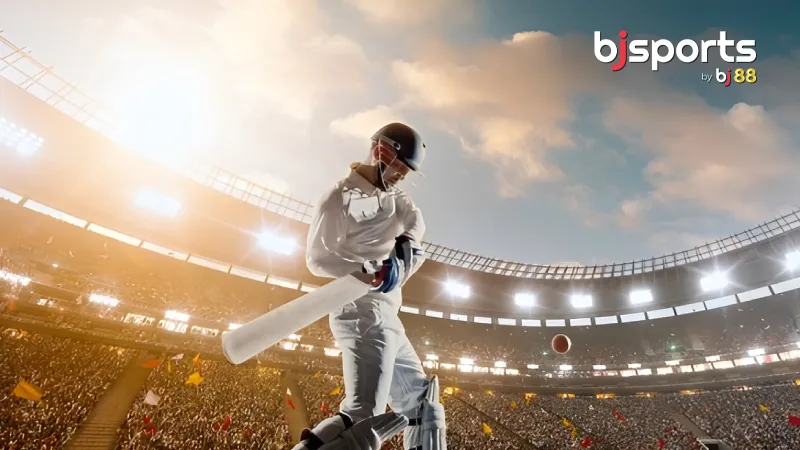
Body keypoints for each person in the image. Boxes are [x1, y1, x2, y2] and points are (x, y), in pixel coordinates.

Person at [293, 123, 446, 450]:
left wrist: (404, 251)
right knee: (363, 418)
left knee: (422, 404)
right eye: (400, 167)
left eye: (407, 171)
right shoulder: (337, 197)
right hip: (359, 310)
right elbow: (317, 259)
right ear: (381, 151)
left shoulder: (396, 199)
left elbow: (416, 222)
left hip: (387, 314)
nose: (402, 175)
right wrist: (367, 270)